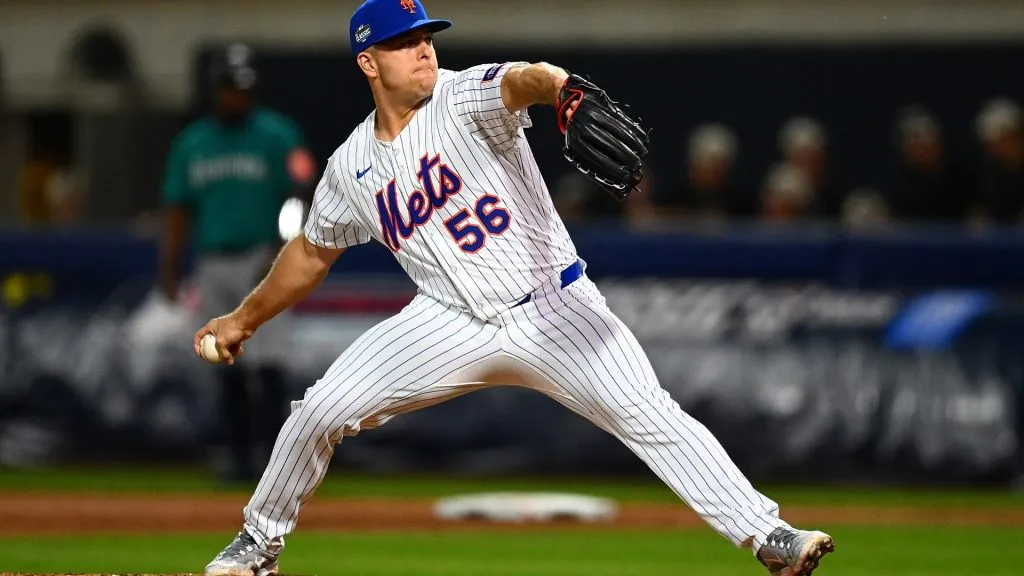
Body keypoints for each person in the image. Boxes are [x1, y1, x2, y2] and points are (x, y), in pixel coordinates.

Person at [199, 1, 836, 575]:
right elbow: (311, 253)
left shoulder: (461, 96)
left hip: (554, 307)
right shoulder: (350, 166)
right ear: (368, 61)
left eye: (427, 36)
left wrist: (567, 94)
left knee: (651, 415)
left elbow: (523, 78)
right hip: (446, 321)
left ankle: (768, 534)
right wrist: (242, 320)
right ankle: (259, 542)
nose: (424, 49)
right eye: (404, 42)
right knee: (319, 411)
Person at [159, 42, 318, 483]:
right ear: (216, 89)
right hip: (213, 260)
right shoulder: (192, 143)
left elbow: (302, 192)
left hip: (263, 262)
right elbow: (176, 210)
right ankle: (238, 459)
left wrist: (283, 248)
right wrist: (169, 270)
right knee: (224, 366)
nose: (236, 97)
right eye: (229, 88)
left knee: (269, 367)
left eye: (243, 88)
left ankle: (275, 462)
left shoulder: (277, 133)